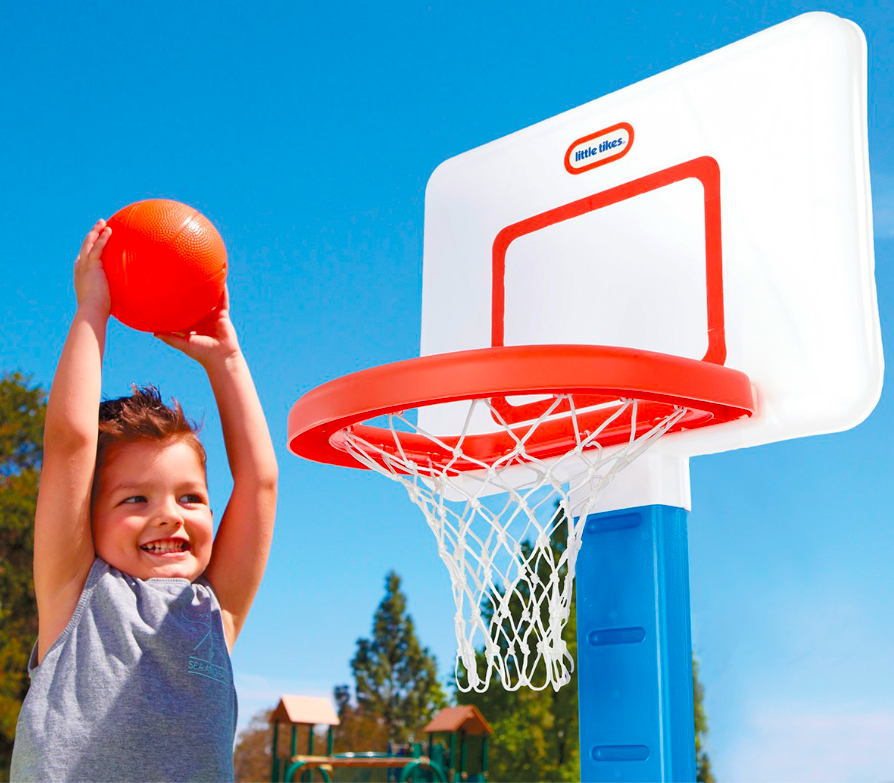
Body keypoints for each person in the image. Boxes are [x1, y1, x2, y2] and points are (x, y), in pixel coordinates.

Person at [10, 219, 278, 781]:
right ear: (87, 516)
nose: (168, 514)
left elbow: (258, 482)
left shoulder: (214, 614)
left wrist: (226, 360)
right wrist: (92, 312)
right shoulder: (76, 595)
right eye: (135, 498)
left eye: (190, 497)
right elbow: (71, 443)